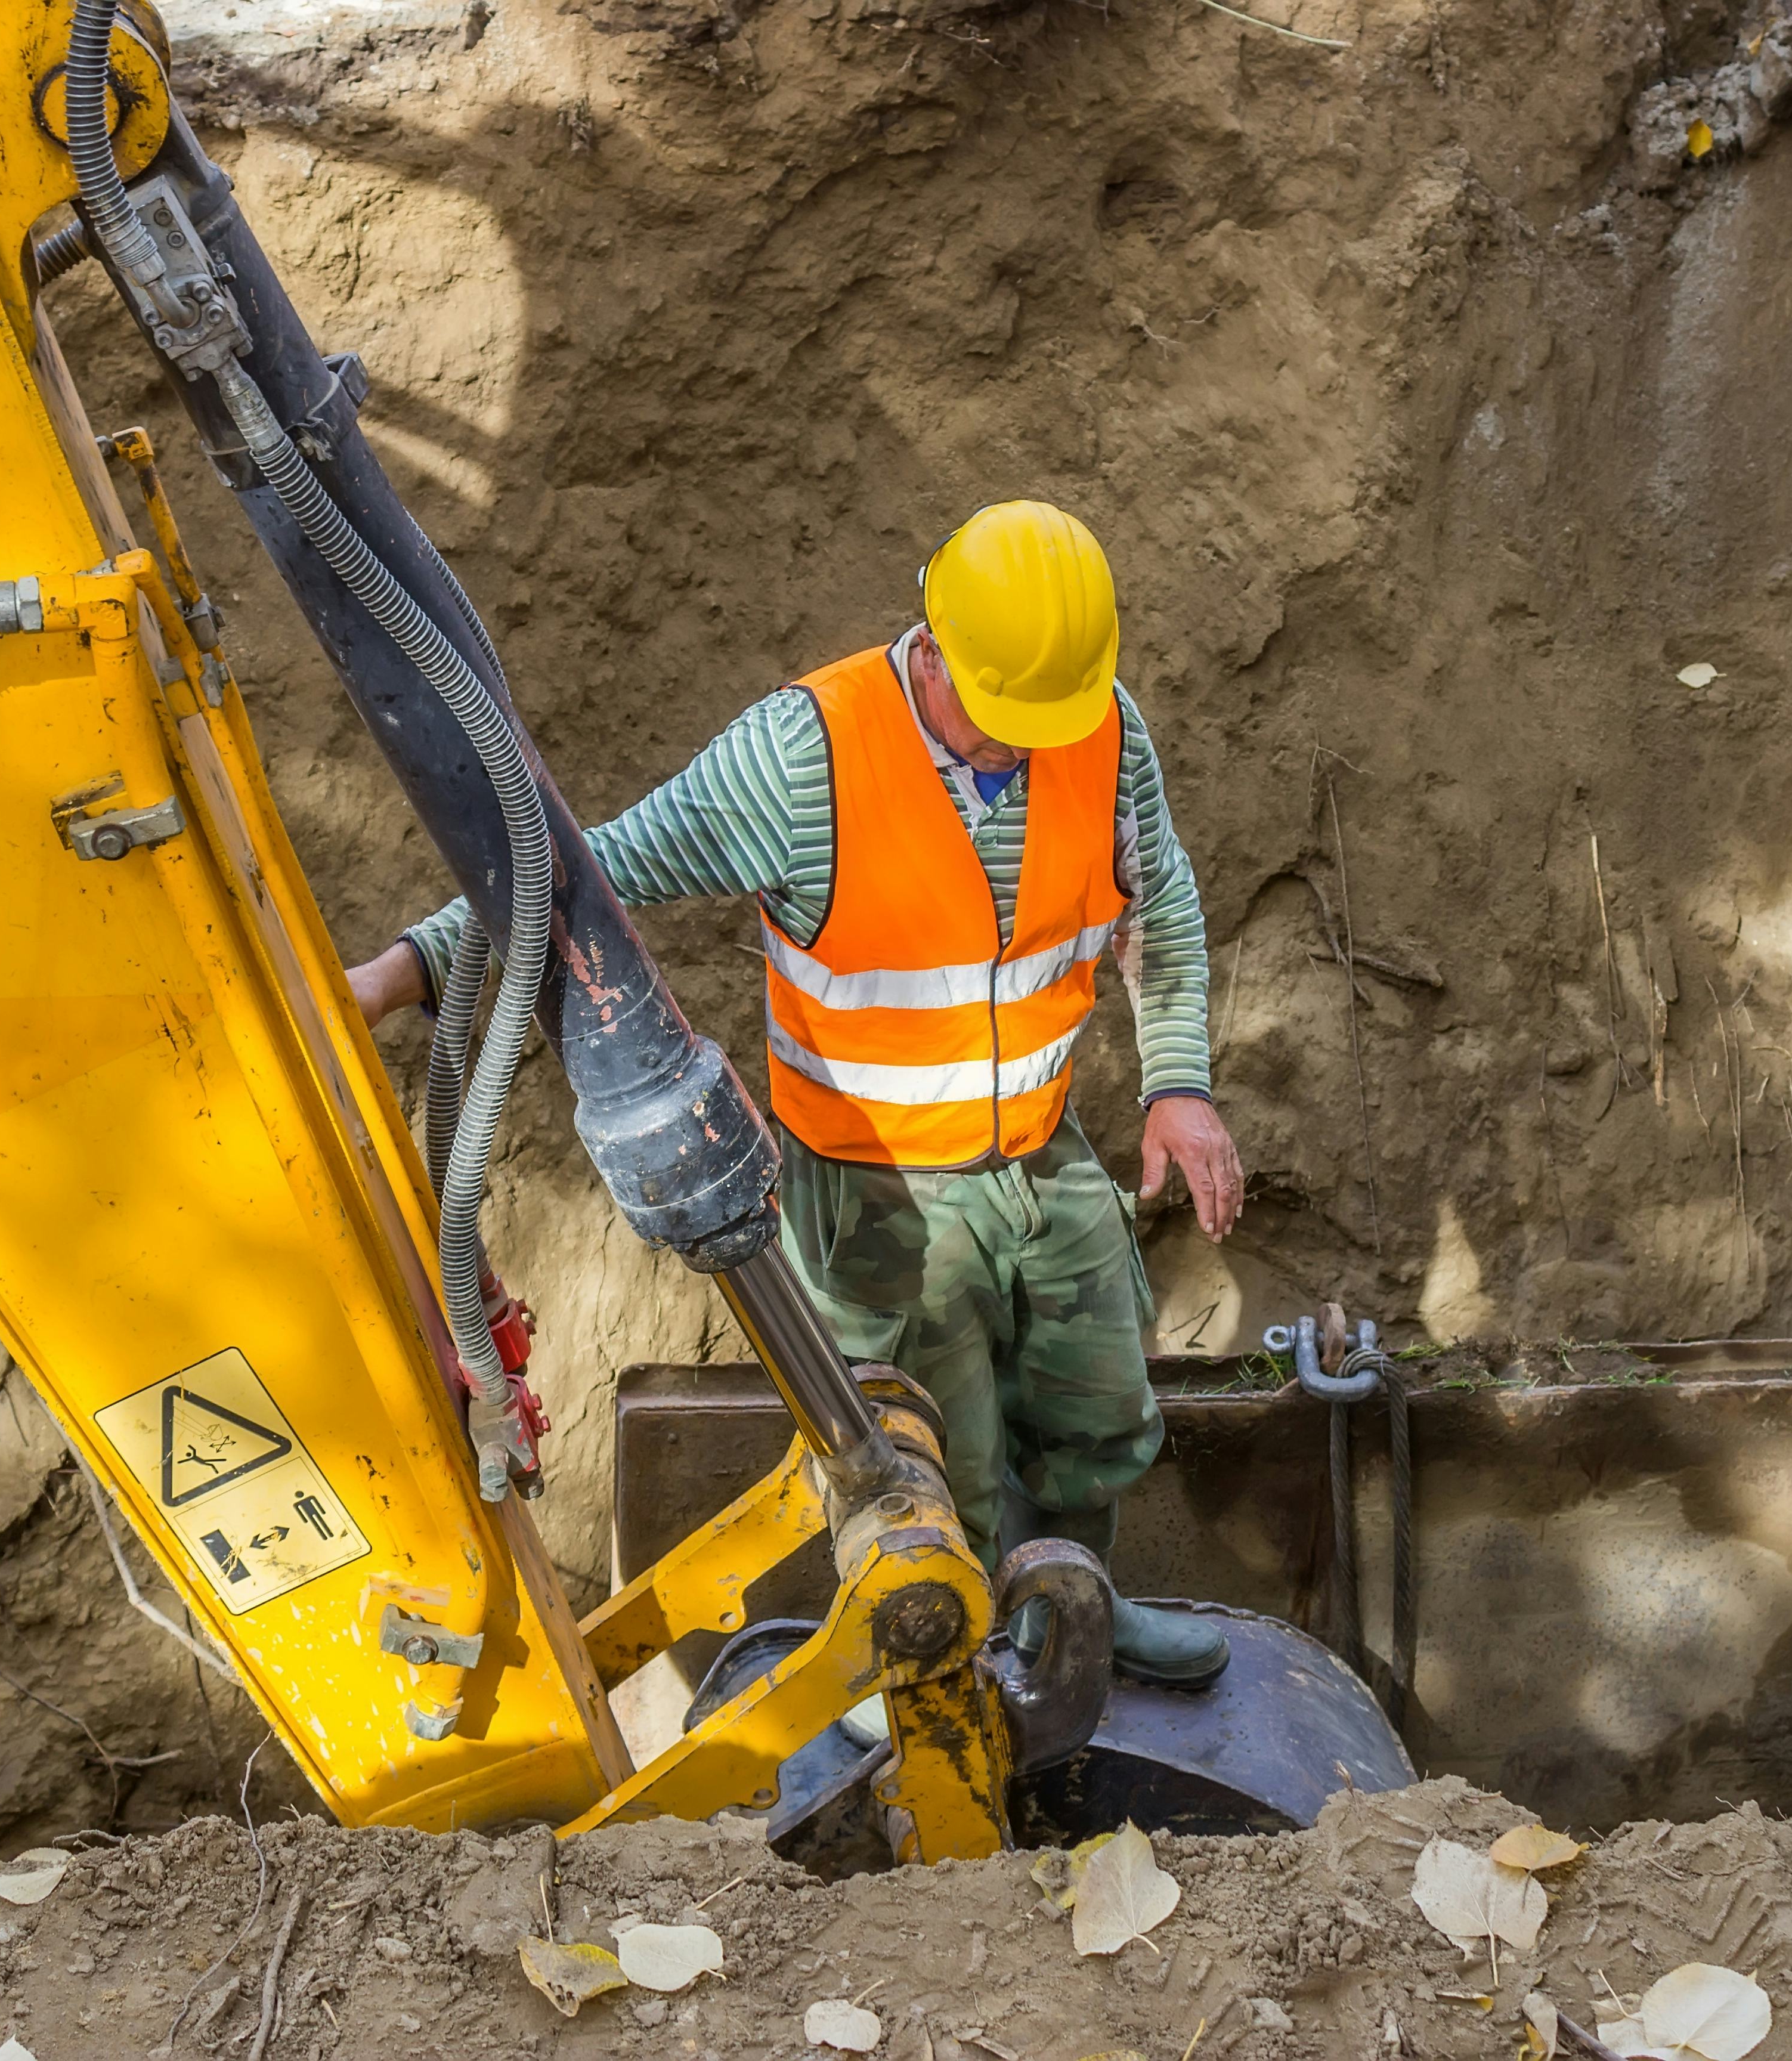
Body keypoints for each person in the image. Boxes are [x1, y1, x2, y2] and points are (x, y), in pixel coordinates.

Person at [345, 501, 1244, 1686]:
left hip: (1041, 1157)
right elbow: (580, 875)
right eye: (999, 722)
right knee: (935, 1468)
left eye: (1044, 725)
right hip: (878, 1200)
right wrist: (397, 974)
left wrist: (1179, 1083)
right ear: (932, 645)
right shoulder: (803, 761)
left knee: (1096, 1418)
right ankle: (941, 1699)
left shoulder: (1103, 735)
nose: (1024, 749)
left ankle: (1072, 1614)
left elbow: (1160, 906)